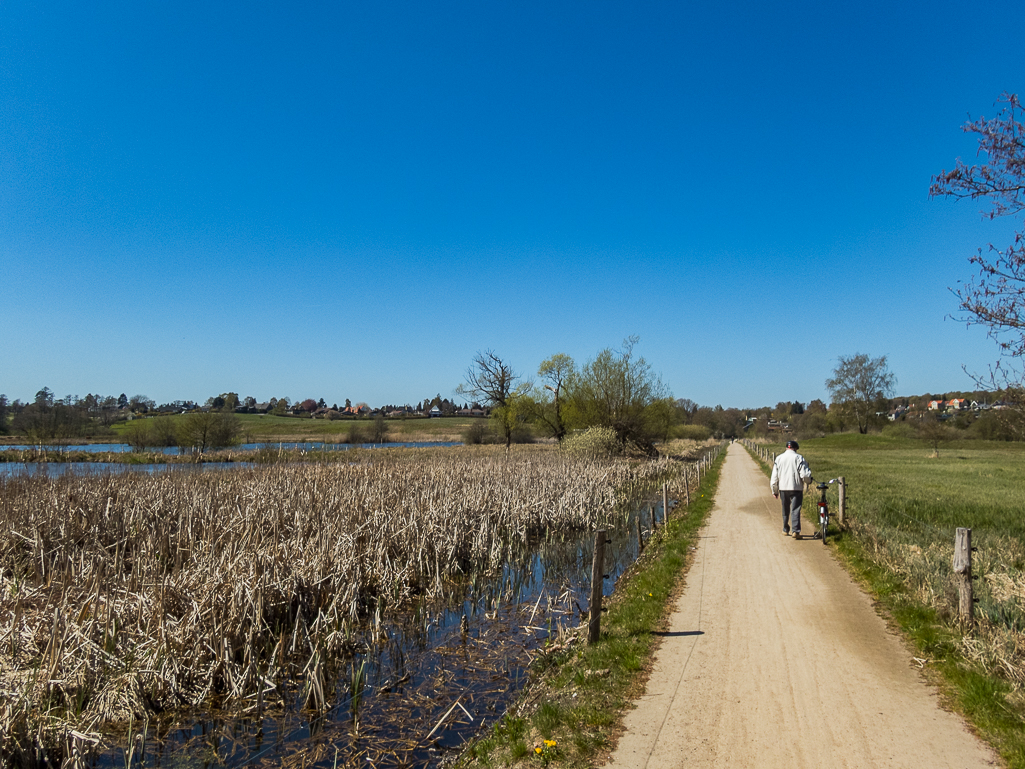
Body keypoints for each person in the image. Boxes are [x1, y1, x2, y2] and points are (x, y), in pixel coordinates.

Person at [770, 439, 812, 539]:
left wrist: (774, 490)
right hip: (796, 487)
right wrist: (808, 481)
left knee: (785, 509)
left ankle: (785, 529)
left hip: (783, 488)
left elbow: (774, 477)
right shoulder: (799, 458)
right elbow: (805, 474)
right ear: (795, 448)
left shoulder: (779, 458)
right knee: (795, 509)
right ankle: (795, 531)